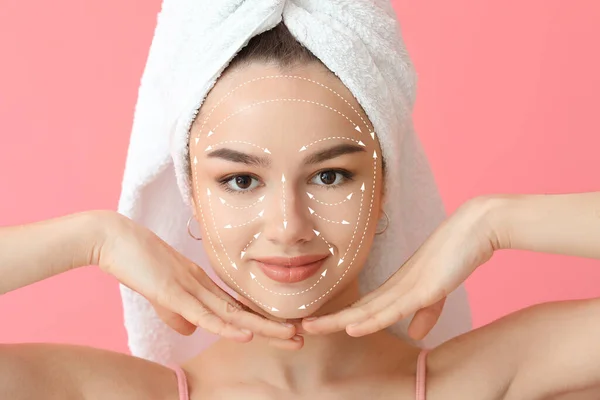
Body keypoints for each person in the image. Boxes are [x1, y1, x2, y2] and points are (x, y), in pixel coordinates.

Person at [2, 9, 599, 400]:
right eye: (239, 180)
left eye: (332, 174)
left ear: (387, 183)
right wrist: (94, 239)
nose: (288, 226)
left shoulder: (484, 383)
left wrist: (494, 221)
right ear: (191, 191)